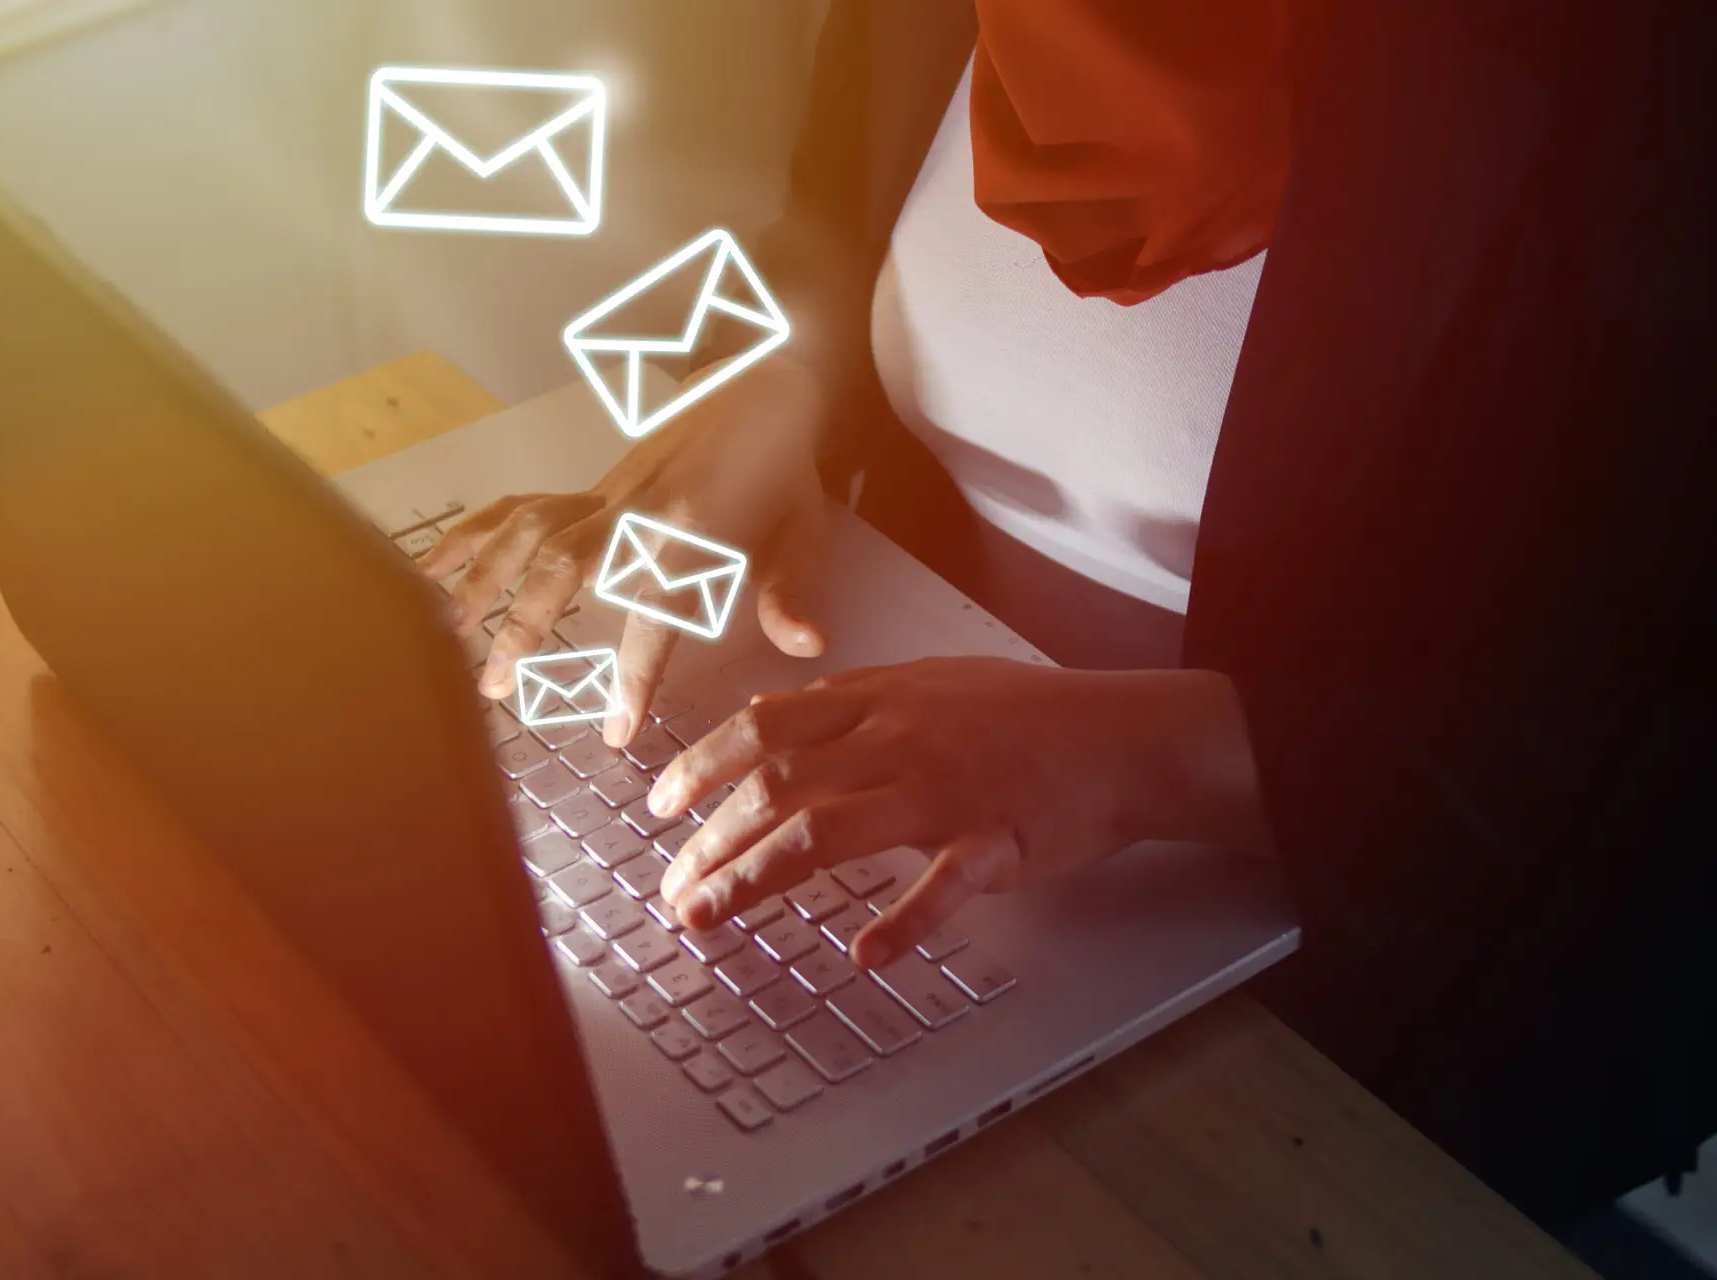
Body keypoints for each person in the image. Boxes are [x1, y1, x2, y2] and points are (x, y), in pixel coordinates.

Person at [425, 0, 1717, 1237]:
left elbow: (1650, 748)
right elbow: (829, 228)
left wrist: (1150, 753)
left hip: (1374, 982)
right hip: (941, 862)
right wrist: (785, 382)